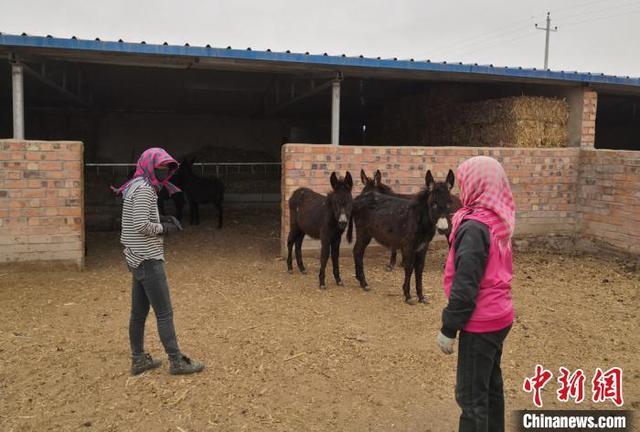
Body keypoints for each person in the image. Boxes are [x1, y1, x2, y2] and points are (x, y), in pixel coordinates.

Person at [436, 156, 516, 432]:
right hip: (500, 316)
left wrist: (449, 328)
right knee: (491, 388)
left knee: (470, 398)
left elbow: (465, 285)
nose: (461, 190)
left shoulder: (473, 227)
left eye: (463, 183)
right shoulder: (497, 218)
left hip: (480, 322)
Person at [113, 147, 204, 376]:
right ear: (149, 166)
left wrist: (161, 217)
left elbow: (138, 217)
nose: (164, 172)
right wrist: (166, 228)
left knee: (138, 314)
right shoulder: (145, 190)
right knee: (164, 314)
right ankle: (176, 361)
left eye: (167, 168)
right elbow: (141, 226)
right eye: (160, 167)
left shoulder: (135, 185)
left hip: (136, 257)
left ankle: (138, 359)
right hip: (148, 258)